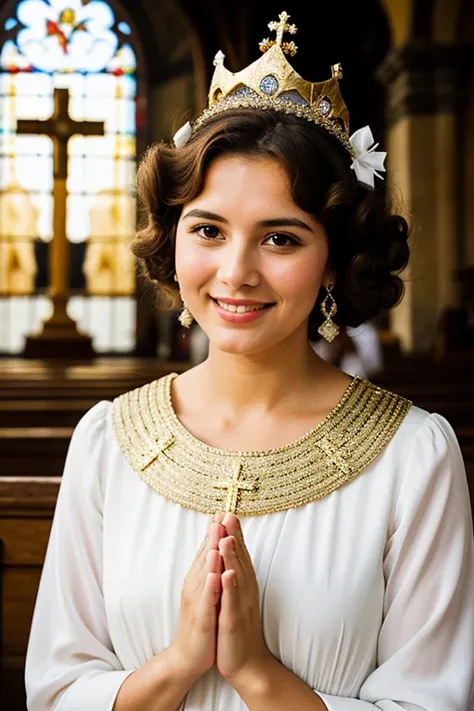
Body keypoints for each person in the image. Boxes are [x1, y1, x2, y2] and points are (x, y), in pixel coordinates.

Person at [25, 11, 474, 711]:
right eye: (208, 229)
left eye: (281, 239)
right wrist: (175, 665)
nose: (236, 273)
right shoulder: (107, 443)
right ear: (173, 240)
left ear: (335, 260)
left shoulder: (415, 458)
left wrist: (259, 674)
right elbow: (55, 690)